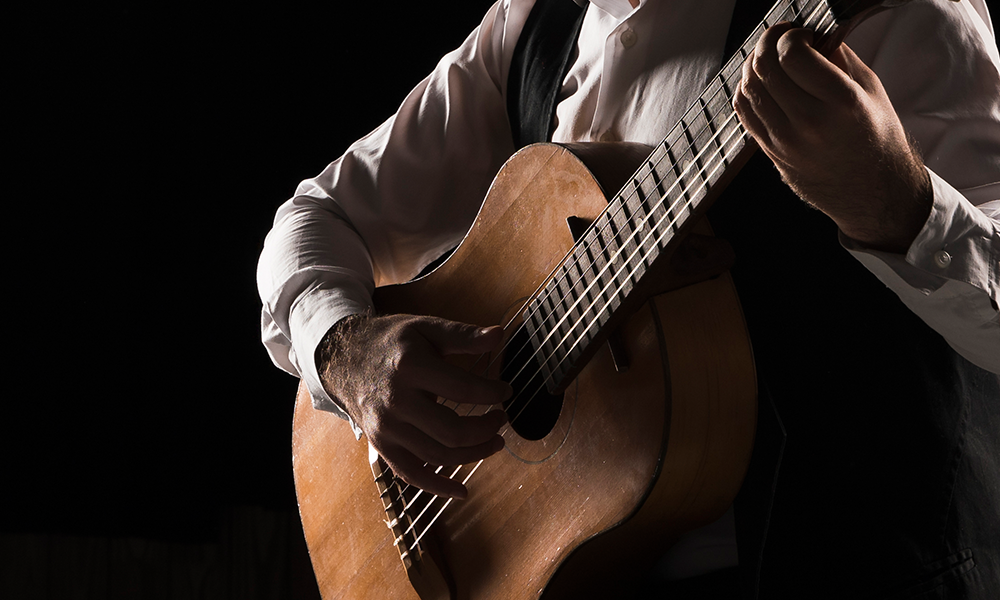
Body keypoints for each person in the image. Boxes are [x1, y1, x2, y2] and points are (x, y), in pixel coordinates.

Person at [258, 0, 1000, 596]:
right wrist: (344, 349)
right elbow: (315, 217)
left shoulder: (904, 19)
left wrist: (901, 206)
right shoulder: (535, 25)